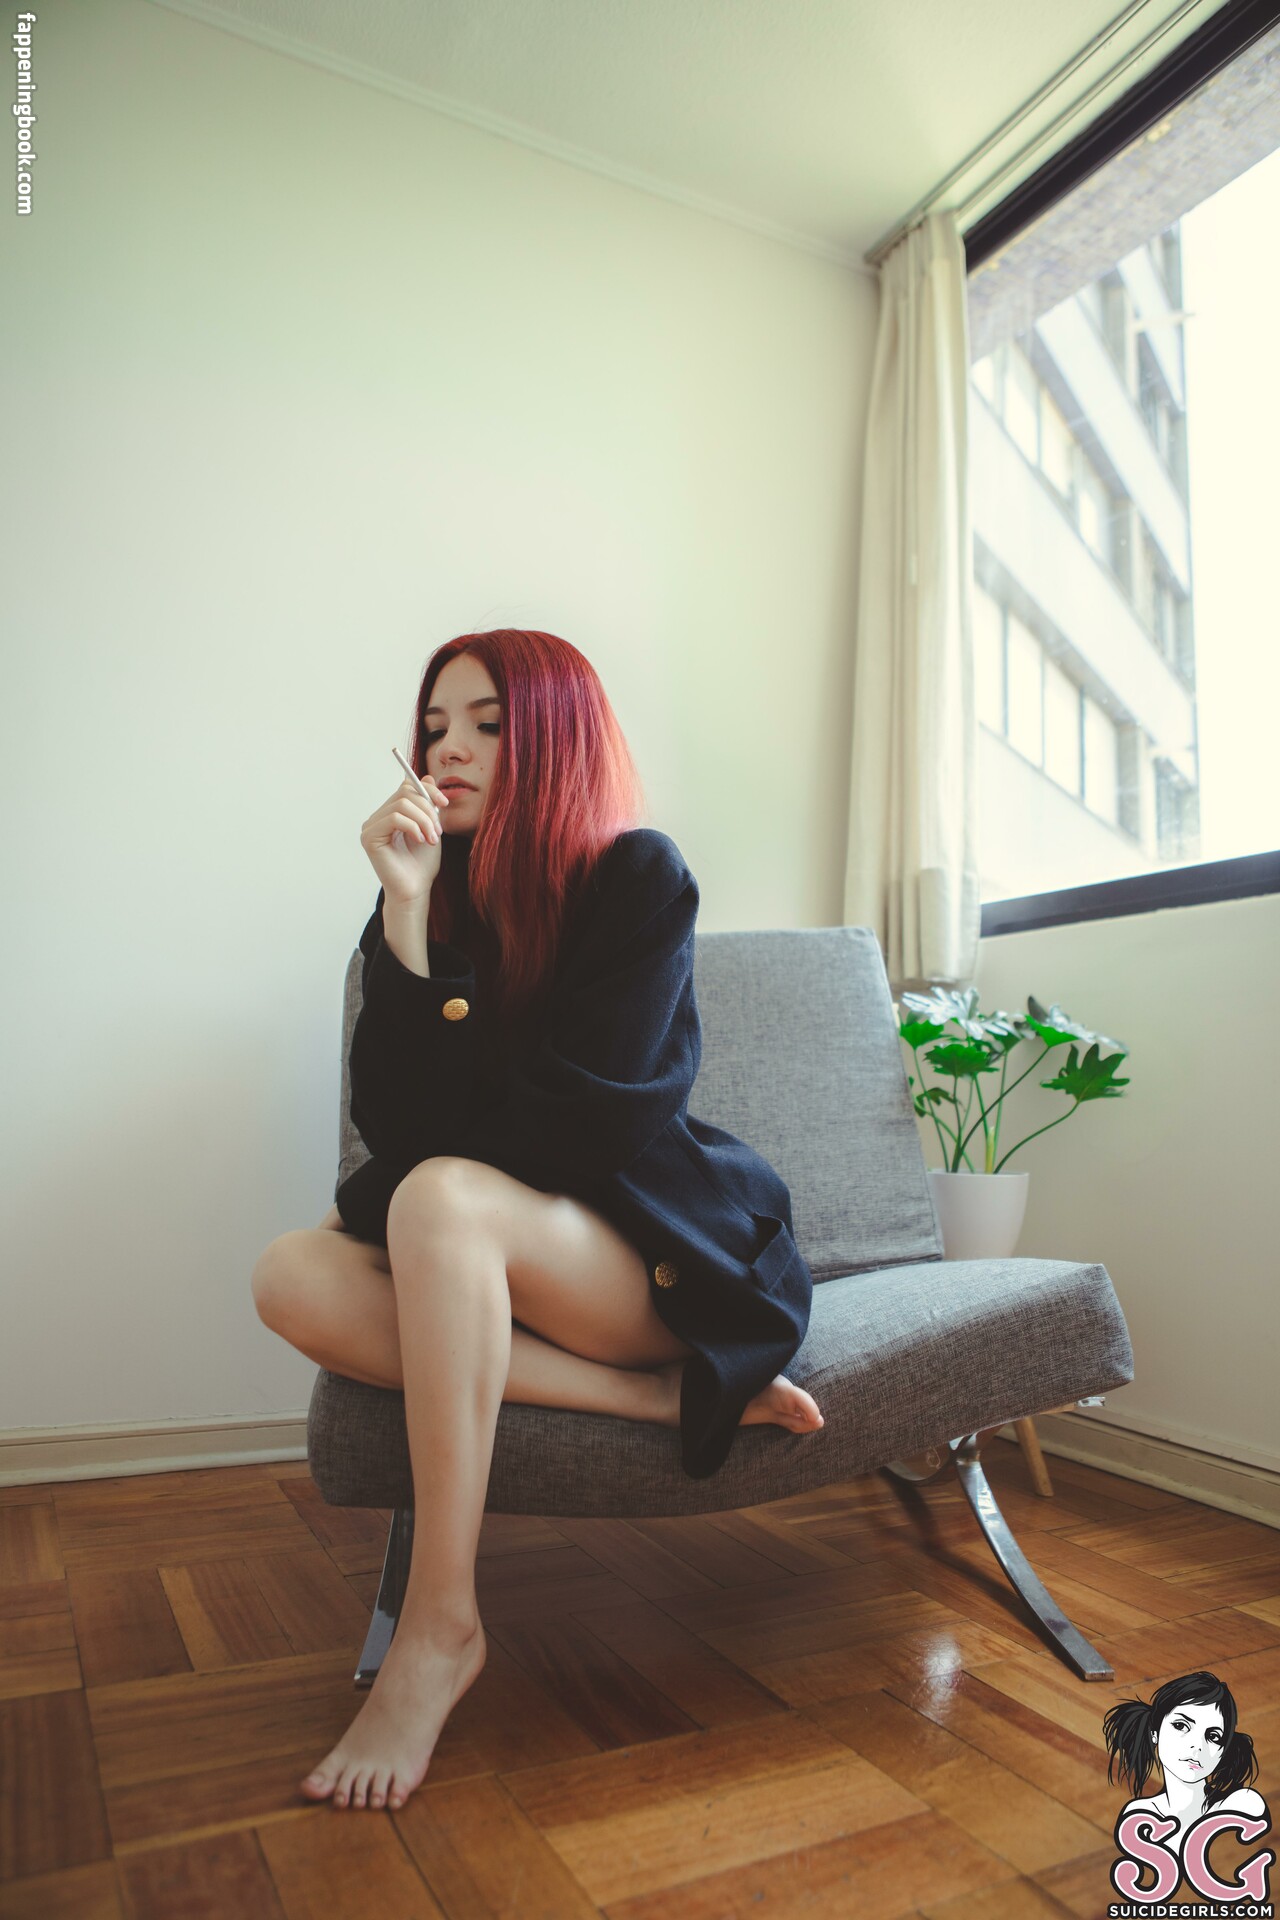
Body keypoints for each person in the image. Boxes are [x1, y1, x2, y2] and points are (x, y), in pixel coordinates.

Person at [251, 627, 822, 1815]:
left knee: (435, 1196)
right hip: (507, 1261)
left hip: (663, 1260)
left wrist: (412, 1187)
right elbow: (393, 1125)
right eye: (433, 727)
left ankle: (439, 1626)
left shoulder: (636, 876)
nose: (446, 751)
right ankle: (658, 1403)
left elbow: (580, 1131)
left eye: (485, 725)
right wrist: (405, 917)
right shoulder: (423, 894)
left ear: (554, 735)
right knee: (289, 1274)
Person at [1103, 1669, 1266, 1856]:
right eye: (1181, 1726)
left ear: (1223, 1751)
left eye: (1213, 1737)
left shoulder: (1242, 1804)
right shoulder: (1140, 1815)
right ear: (1154, 1732)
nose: (1198, 1746)